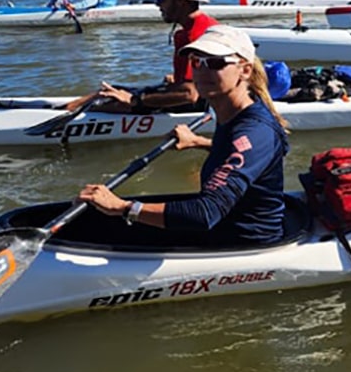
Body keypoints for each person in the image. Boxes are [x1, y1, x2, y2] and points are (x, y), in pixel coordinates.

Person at [77, 24, 290, 246]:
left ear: (244, 70)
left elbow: (205, 213)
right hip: (221, 225)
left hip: (243, 241)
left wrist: (122, 207)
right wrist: (198, 141)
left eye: (215, 63)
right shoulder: (233, 111)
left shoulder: (255, 130)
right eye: (197, 62)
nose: (202, 72)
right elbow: (242, 152)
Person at [70, 0, 218, 113]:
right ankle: (67, 108)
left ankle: (76, 114)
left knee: (108, 104)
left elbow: (189, 94)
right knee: (111, 90)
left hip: (200, 105)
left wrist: (134, 101)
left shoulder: (195, 36)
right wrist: (177, 79)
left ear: (181, 1)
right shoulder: (194, 28)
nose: (157, 3)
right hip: (196, 97)